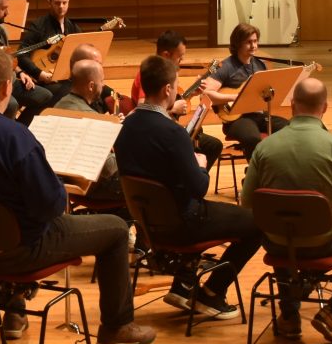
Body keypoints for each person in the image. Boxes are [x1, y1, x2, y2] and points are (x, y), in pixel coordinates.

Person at [0, 45, 154, 344]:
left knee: (8, 213)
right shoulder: (15, 136)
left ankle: (14, 311)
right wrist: (55, 180)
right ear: (7, 87)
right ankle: (117, 327)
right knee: (116, 229)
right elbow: (52, 205)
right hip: (22, 249)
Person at [115, 53, 262, 321]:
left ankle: (183, 285)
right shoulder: (172, 132)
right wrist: (201, 164)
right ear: (167, 89)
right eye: (176, 85)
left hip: (148, 224)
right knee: (257, 223)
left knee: (198, 207)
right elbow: (199, 187)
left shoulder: (126, 126)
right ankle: (212, 293)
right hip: (182, 223)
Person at [241, 76, 332, 344]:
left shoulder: (265, 147)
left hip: (276, 242)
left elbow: (247, 201)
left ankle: (289, 316)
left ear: (293, 105)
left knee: (282, 225)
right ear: (325, 107)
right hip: (322, 241)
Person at [132, 30, 225, 167]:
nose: (181, 61)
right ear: (166, 55)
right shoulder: (150, 74)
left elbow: (166, 102)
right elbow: (142, 109)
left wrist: (192, 94)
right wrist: (173, 109)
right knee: (206, 146)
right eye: (179, 58)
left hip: (164, 129)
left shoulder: (168, 72)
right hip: (156, 135)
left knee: (211, 143)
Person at [52, 56, 125, 210]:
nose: (103, 85)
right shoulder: (90, 117)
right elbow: (109, 168)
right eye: (102, 81)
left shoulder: (58, 105)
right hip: (91, 187)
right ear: (91, 86)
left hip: (64, 181)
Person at [214, 24, 288, 153]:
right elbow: (207, 94)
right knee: (252, 138)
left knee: (290, 129)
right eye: (248, 42)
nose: (253, 45)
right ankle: (256, 166)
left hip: (259, 116)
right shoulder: (226, 66)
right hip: (236, 120)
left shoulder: (260, 65)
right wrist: (236, 97)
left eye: (255, 41)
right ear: (238, 43)